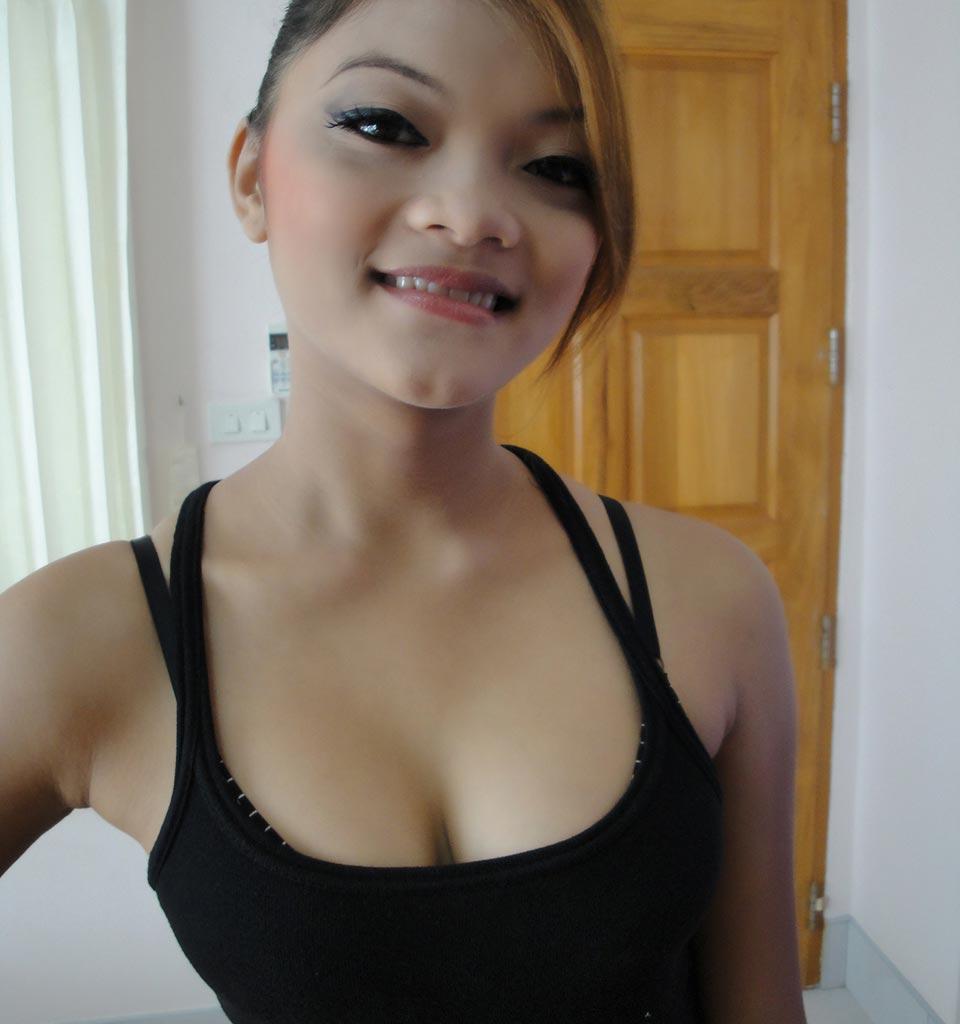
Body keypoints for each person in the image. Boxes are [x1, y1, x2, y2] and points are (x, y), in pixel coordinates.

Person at [0, 0, 807, 1020]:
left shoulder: (713, 599)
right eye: (385, 125)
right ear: (251, 175)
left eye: (556, 167)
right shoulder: (78, 636)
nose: (470, 215)